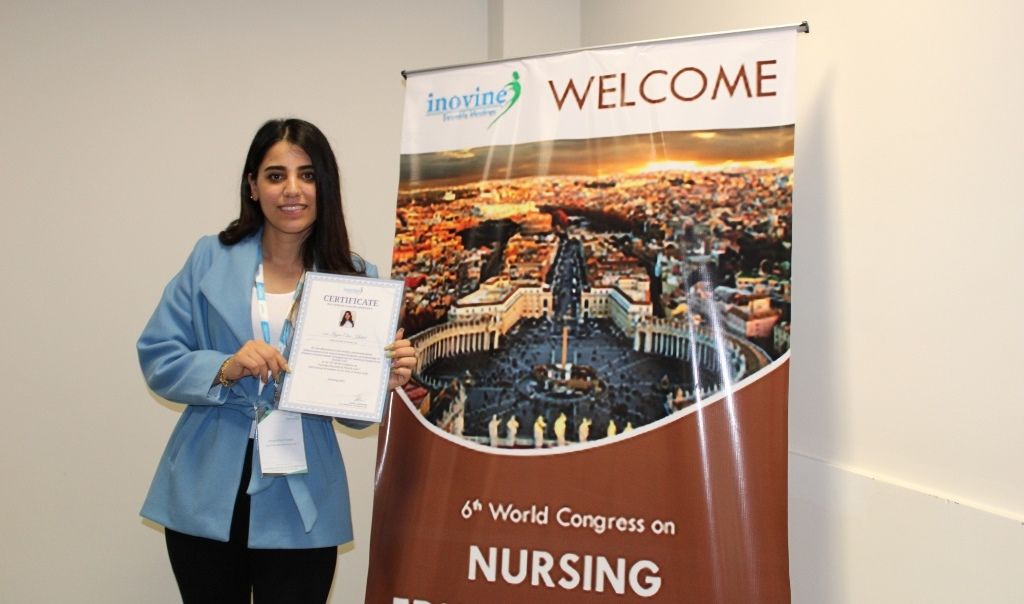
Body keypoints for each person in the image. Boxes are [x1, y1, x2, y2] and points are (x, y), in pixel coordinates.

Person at [137, 118, 417, 603]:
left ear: (325, 186)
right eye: (275, 175)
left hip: (301, 490)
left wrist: (383, 379)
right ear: (252, 186)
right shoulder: (209, 257)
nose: (292, 190)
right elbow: (159, 355)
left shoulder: (356, 279)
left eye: (307, 175)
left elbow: (353, 417)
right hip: (208, 485)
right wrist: (225, 367)